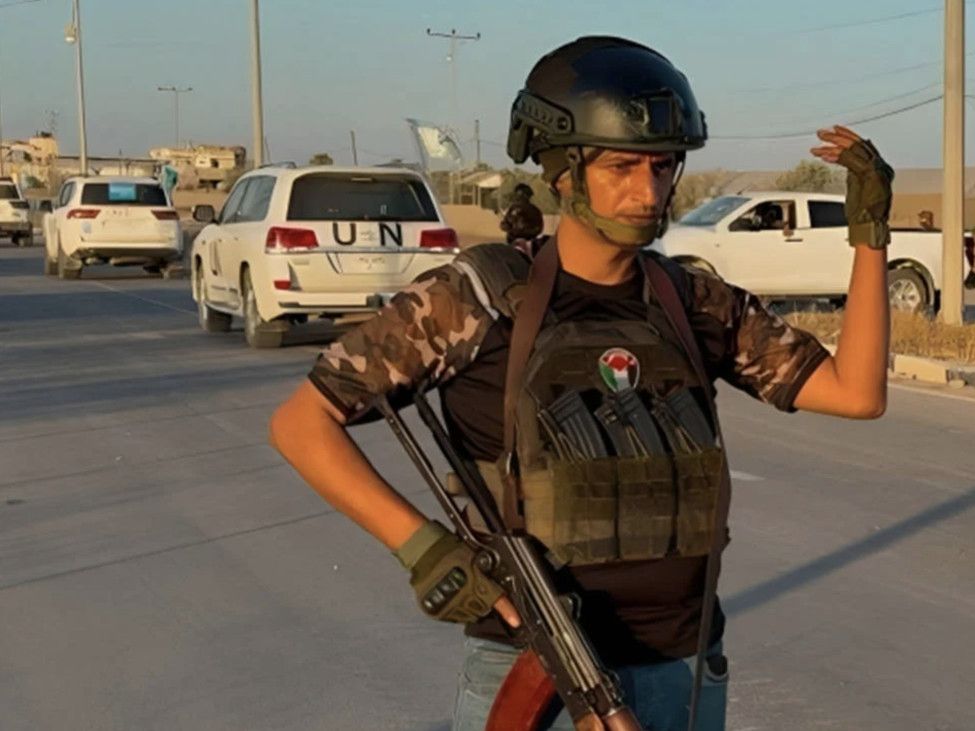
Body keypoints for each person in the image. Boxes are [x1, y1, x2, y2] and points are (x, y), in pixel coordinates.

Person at [270, 35, 892, 731]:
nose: (648, 191)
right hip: (536, 668)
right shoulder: (475, 297)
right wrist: (423, 548)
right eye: (621, 166)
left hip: (681, 666)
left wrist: (870, 236)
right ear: (563, 173)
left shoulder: (693, 301)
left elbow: (856, 393)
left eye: (662, 166)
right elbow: (301, 423)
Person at [500, 181, 546, 254]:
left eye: (520, 195)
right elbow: (505, 222)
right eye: (517, 194)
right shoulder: (513, 208)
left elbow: (538, 228)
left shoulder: (533, 210)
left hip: (527, 244)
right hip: (513, 243)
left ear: (526, 196)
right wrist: (506, 226)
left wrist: (523, 233)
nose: (518, 197)